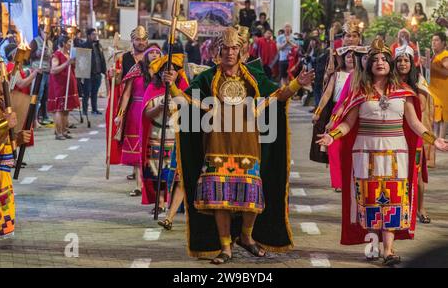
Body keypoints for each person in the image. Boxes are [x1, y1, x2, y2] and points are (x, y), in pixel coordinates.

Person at [168, 27, 315, 264]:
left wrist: (298, 83)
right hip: (216, 146)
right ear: (218, 51)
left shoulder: (253, 77)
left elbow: (277, 95)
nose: (229, 52)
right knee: (220, 199)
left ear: (241, 51)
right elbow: (186, 103)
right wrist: (172, 85)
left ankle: (247, 237)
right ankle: (225, 247)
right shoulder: (206, 78)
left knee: (251, 197)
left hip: (248, 146)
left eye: (234, 48)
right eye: (225, 48)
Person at [317, 38, 448, 266]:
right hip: (364, 153)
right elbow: (347, 124)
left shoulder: (404, 92)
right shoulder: (360, 92)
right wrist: (332, 136)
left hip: (396, 153)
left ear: (390, 64)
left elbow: (415, 123)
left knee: (394, 200)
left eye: (384, 59)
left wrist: (433, 139)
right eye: (375, 59)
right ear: (369, 65)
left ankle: (388, 249)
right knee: (368, 200)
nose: (380, 62)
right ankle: (372, 243)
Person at [140, 45, 188, 214]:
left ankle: (174, 203)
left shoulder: (183, 88)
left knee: (173, 171)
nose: (169, 73)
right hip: (156, 134)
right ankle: (160, 201)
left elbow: (189, 110)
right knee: (157, 171)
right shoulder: (152, 89)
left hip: (175, 135)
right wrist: (159, 108)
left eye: (173, 71)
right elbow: (146, 114)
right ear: (160, 73)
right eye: (165, 71)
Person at [394, 45, 434, 224]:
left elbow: (423, 107)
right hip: (393, 132)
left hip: (413, 132)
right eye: (399, 60)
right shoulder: (389, 80)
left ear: (412, 63)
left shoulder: (418, 80)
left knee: (416, 171)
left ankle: (420, 208)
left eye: (406, 60)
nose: (403, 64)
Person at [115, 44, 157, 197]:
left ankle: (152, 186)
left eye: (156, 52)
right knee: (138, 150)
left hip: (155, 113)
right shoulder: (137, 69)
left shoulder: (162, 72)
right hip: (136, 112)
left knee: (151, 150)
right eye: (151, 52)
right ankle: (139, 186)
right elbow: (126, 94)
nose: (154, 55)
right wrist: (120, 114)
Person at [0, 57, 32, 240]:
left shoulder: (3, 103)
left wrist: (17, 140)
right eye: (2, 77)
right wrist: (4, 124)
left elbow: (3, 143)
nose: (5, 81)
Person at [310, 47, 356, 176]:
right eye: (347, 56)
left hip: (352, 112)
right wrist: (318, 112)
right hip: (336, 111)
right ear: (342, 59)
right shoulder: (337, 74)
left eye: (353, 56)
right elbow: (327, 94)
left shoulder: (361, 76)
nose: (350, 58)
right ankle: (338, 178)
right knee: (335, 147)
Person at [47, 36, 80, 140]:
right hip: (59, 86)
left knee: (66, 109)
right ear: (64, 43)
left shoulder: (68, 54)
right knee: (59, 109)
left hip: (68, 85)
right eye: (69, 42)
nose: (71, 44)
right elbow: (53, 70)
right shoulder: (57, 55)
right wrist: (67, 63)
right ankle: (58, 132)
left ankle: (65, 131)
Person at [30, 25, 53, 126]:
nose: (47, 34)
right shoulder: (35, 41)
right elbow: (29, 55)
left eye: (48, 33)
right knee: (38, 95)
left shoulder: (50, 43)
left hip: (47, 71)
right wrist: (37, 54)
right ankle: (34, 119)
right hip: (38, 71)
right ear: (41, 31)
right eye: (45, 32)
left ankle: (45, 116)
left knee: (45, 96)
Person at [81, 28, 107, 116]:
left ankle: (94, 109)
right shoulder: (84, 45)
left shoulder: (98, 45)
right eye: (93, 34)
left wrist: (104, 71)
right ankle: (85, 110)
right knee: (86, 93)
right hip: (89, 74)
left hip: (98, 73)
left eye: (96, 34)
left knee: (95, 92)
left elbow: (102, 59)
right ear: (88, 36)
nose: (95, 36)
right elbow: (82, 60)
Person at [428, 32, 448, 141]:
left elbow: (446, 73)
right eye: (432, 40)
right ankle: (436, 141)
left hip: (442, 91)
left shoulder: (445, 54)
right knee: (435, 117)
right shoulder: (435, 55)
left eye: (436, 40)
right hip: (434, 90)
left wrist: (431, 66)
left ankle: (441, 140)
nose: (433, 42)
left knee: (442, 117)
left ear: (443, 43)